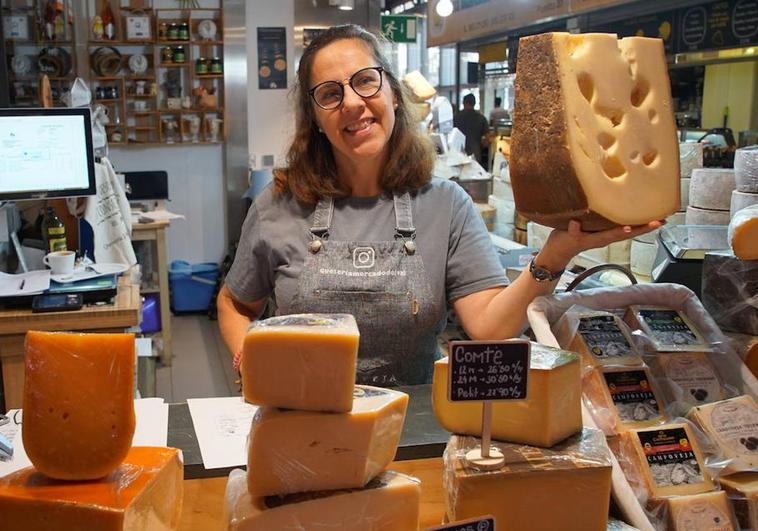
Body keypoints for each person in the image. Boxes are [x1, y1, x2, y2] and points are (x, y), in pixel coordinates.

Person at [217, 24, 660, 387]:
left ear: (392, 92)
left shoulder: (445, 204)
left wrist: (556, 254)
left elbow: (488, 326)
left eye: (365, 81)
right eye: (330, 94)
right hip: (298, 421)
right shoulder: (279, 203)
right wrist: (248, 360)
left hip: (413, 434)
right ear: (314, 118)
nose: (352, 102)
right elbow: (236, 303)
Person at [453, 93, 489, 163]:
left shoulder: (456, 118)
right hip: (475, 154)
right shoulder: (481, 118)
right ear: (474, 103)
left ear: (463, 103)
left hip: (458, 154)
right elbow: (486, 140)